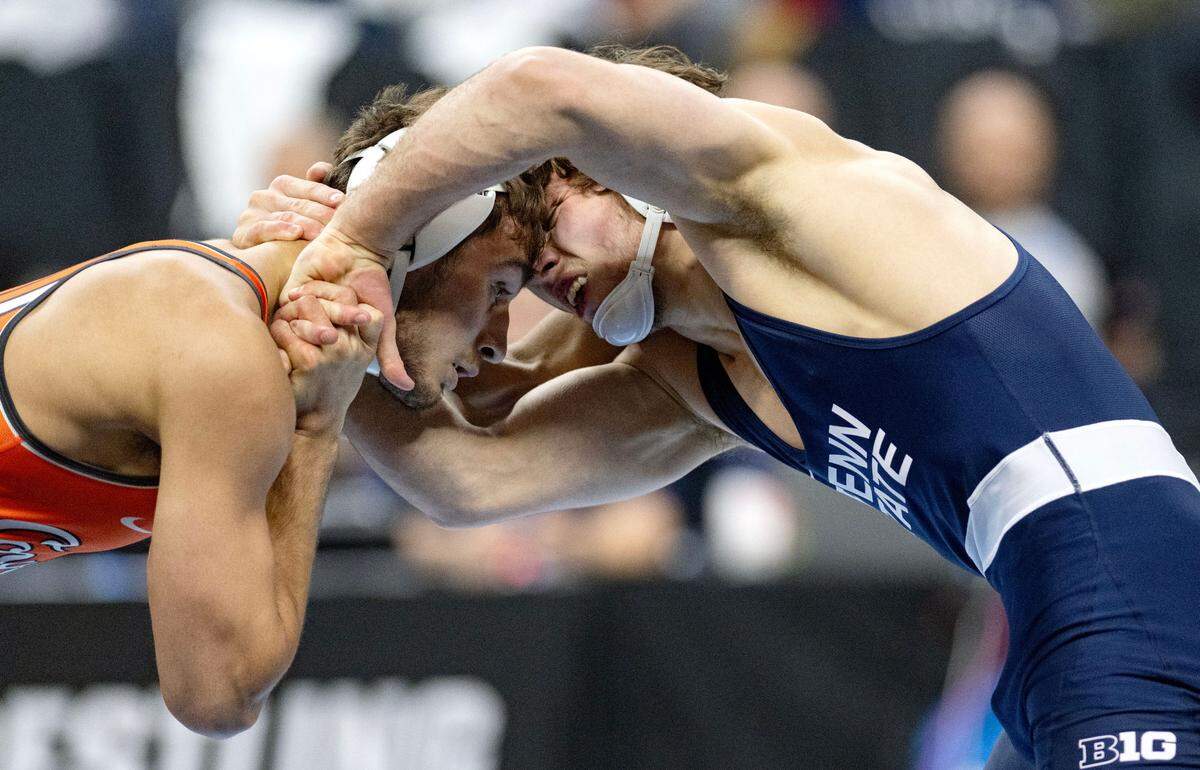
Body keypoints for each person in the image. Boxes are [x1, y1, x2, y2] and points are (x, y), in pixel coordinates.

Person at [253, 45, 1200, 768]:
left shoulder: (780, 187)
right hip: (1047, 640)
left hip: (1142, 602)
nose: (546, 278)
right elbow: (465, 474)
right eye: (523, 277)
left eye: (558, 218)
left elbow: (539, 89)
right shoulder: (695, 378)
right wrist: (334, 327)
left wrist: (351, 240)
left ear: (628, 164)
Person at [0, 83, 543, 737]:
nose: (499, 338)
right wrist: (316, 429)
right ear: (420, 235)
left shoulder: (225, 306)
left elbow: (471, 481)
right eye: (500, 288)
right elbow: (214, 693)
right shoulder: (222, 353)